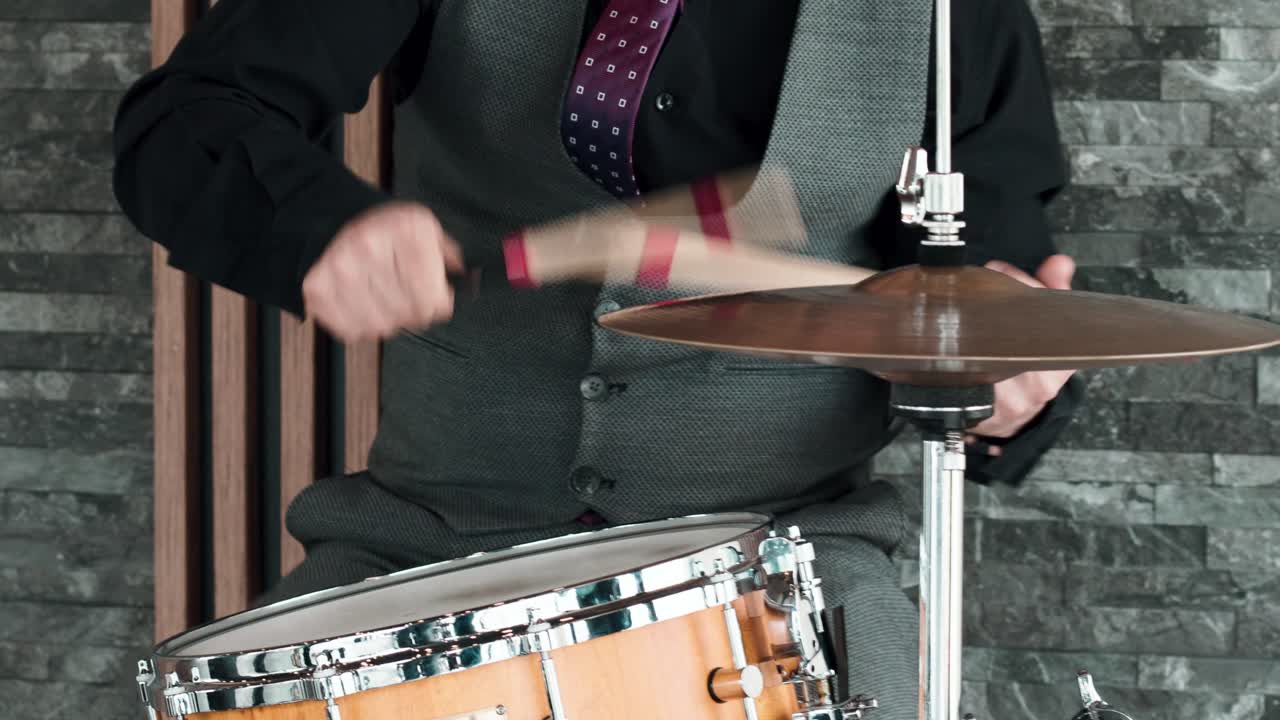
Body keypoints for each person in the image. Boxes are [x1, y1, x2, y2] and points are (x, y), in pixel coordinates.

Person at [113, 0, 1082, 715]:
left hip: (789, 562)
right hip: (429, 544)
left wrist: (1001, 374)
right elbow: (191, 114)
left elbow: (980, 275)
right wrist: (318, 226)